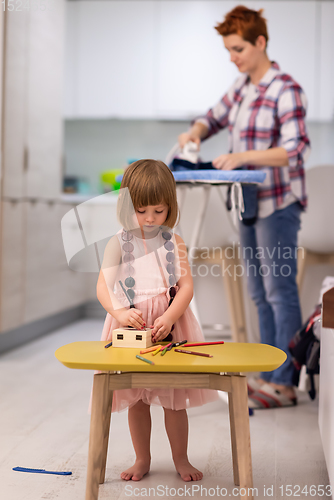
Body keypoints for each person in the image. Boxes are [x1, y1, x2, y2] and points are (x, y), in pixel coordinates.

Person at [178, 5, 310, 408]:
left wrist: (242, 156)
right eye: (228, 50)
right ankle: (269, 375)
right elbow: (213, 117)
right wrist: (195, 131)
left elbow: (295, 148)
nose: (232, 57)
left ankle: (285, 383)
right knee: (258, 292)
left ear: (260, 43)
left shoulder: (286, 88)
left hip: (278, 202)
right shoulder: (242, 87)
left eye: (237, 48)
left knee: (278, 290)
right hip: (247, 202)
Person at [97, 159, 218, 481]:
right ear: (127, 207)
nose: (150, 218)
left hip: (170, 327)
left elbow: (187, 286)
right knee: (137, 399)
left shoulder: (173, 242)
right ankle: (142, 459)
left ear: (170, 208)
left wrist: (169, 316)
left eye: (159, 210)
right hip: (130, 329)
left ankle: (181, 459)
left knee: (174, 400)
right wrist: (120, 313)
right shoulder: (118, 243)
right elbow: (102, 287)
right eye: (141, 210)